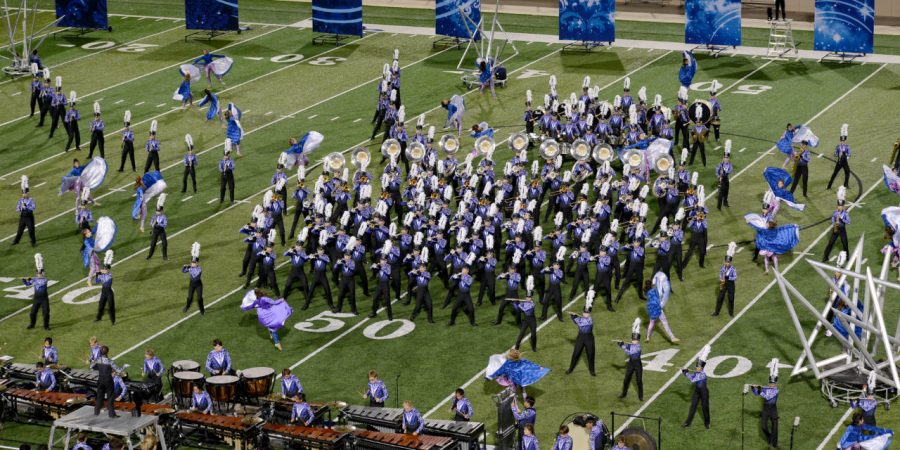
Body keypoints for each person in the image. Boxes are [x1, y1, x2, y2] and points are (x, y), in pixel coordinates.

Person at [750, 360, 780, 448]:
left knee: (775, 428)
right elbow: (756, 393)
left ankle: (775, 444)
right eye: (771, 383)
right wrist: (753, 388)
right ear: (769, 383)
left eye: (773, 384)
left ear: (776, 384)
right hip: (766, 409)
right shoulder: (765, 388)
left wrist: (760, 390)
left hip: (773, 410)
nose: (772, 385)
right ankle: (769, 437)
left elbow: (767, 397)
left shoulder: (776, 391)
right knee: (763, 427)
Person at [565, 292, 595, 376]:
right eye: (584, 313)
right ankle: (570, 368)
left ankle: (592, 371)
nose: (585, 314)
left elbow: (580, 322)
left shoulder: (590, 320)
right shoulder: (581, 319)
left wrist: (574, 316)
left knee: (591, 354)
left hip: (589, 338)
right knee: (576, 353)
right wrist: (573, 316)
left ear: (589, 313)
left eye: (587, 313)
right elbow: (576, 321)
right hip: (581, 337)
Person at [681, 346, 711, 429]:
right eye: (696, 367)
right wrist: (686, 372)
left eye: (697, 367)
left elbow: (692, 379)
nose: (696, 368)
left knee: (705, 406)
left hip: (704, 391)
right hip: (697, 391)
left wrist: (686, 373)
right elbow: (692, 377)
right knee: (693, 406)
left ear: (701, 368)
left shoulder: (702, 375)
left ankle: (707, 422)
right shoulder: (697, 373)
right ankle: (688, 422)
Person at [645, 273, 679, 344]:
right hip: (657, 308)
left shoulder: (646, 292)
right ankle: (672, 337)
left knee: (651, 322)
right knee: (665, 323)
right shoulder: (654, 290)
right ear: (651, 285)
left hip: (651, 309)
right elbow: (658, 298)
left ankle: (648, 337)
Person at [91, 345, 122, 418]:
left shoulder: (98, 360)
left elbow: (93, 367)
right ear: (107, 352)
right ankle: (111, 414)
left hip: (100, 379)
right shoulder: (110, 361)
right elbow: (118, 370)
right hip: (108, 380)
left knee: (99, 396)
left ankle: (96, 412)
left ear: (100, 352)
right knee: (110, 397)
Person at [617, 319, 643, 401]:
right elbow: (627, 346)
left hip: (637, 364)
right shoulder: (631, 344)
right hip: (631, 363)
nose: (633, 341)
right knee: (626, 379)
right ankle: (623, 394)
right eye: (633, 339)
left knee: (638, 380)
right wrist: (622, 343)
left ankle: (640, 396)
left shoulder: (638, 347)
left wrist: (622, 346)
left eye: (635, 340)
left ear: (638, 340)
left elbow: (629, 352)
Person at [823, 187, 850, 263]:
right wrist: (835, 224)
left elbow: (848, 222)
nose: (840, 207)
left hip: (842, 230)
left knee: (845, 243)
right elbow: (832, 220)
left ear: (843, 206)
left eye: (841, 206)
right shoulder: (835, 213)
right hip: (836, 229)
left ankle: (847, 257)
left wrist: (841, 219)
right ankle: (825, 257)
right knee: (830, 243)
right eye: (839, 206)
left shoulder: (845, 214)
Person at [25, 256, 50, 330]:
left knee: (45, 313)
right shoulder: (34, 279)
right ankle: (32, 324)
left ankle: (46, 326)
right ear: (36, 273)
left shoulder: (45, 279)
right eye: (38, 273)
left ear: (43, 273)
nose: (39, 274)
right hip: (36, 299)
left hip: (44, 299)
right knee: (32, 313)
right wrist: (25, 280)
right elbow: (27, 284)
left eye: (41, 273)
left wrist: (31, 279)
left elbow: (40, 282)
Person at [712, 243, 737, 317]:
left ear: (730, 262)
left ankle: (731, 313)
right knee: (720, 298)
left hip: (731, 284)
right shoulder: (722, 268)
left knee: (731, 299)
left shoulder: (733, 269)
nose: (726, 263)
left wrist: (727, 277)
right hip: (724, 284)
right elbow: (720, 274)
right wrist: (721, 279)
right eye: (726, 262)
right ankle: (716, 312)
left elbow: (735, 277)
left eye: (728, 262)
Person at [284, 243, 310, 308]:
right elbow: (284, 254)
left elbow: (305, 258)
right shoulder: (292, 252)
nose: (298, 247)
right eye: (297, 246)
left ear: (301, 247)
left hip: (300, 271)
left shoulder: (303, 252)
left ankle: (308, 299)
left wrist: (296, 253)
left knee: (305, 285)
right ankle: (284, 298)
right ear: (295, 247)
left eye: (299, 246)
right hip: (293, 271)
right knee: (287, 285)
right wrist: (289, 251)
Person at [94, 251, 116, 324]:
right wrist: (97, 274)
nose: (105, 270)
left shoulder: (109, 275)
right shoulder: (102, 275)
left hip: (109, 291)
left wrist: (99, 271)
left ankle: (113, 321)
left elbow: (107, 280)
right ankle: (99, 317)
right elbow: (96, 281)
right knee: (101, 306)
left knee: (111, 307)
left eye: (106, 269)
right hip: (104, 291)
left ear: (109, 270)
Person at [183, 244, 205, 314]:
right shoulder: (190, 267)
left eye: (194, 263)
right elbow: (183, 271)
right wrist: (184, 267)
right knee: (189, 298)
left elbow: (196, 275)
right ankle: (187, 306)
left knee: (199, 298)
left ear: (197, 263)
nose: (193, 263)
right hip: (192, 284)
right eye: (192, 262)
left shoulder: (199, 269)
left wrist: (190, 268)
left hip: (198, 284)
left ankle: (202, 310)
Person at [14, 179, 37, 247]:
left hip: (29, 217)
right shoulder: (20, 201)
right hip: (22, 217)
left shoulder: (31, 200)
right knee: (20, 230)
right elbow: (17, 209)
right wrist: (21, 207)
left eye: (25, 193)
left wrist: (26, 207)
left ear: (28, 193)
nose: (24, 195)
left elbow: (33, 208)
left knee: (31, 230)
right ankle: (16, 241)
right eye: (23, 193)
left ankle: (33, 242)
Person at [828, 124, 851, 190]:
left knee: (847, 172)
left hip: (845, 161)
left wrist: (846, 156)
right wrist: (838, 155)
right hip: (839, 162)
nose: (843, 142)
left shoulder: (847, 146)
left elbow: (849, 154)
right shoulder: (838, 147)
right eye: (842, 141)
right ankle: (829, 185)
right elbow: (835, 154)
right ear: (840, 141)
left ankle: (845, 185)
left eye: (844, 141)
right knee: (834, 174)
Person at [146, 194, 168, 260]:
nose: (157, 212)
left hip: (161, 230)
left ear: (161, 211)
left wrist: (158, 224)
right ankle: (149, 255)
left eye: (158, 211)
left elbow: (165, 225)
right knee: (153, 244)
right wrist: (152, 224)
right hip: (155, 231)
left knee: (164, 244)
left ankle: (165, 256)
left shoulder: (164, 217)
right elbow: (150, 223)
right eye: (157, 211)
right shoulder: (154, 216)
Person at [715, 142, 733, 210]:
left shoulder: (729, 164)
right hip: (721, 180)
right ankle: (719, 206)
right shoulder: (720, 164)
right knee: (720, 194)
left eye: (727, 158)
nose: (726, 159)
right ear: (723, 158)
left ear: (728, 158)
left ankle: (725, 202)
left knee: (726, 192)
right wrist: (719, 176)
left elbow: (730, 170)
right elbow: (716, 171)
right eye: (725, 158)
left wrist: (725, 172)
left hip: (726, 179)